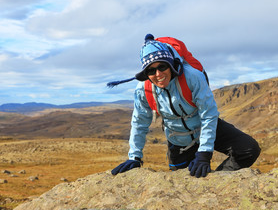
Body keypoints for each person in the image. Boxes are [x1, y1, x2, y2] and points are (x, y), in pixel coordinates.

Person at [111, 34, 261, 178]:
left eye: (162, 67)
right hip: (178, 140)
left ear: (171, 65)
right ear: (146, 73)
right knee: (183, 178)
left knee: (248, 149)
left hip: (204, 126)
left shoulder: (193, 77)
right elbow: (139, 122)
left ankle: (219, 180)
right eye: (151, 70)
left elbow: (208, 114)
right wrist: (135, 156)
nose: (158, 74)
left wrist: (204, 153)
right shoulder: (143, 89)